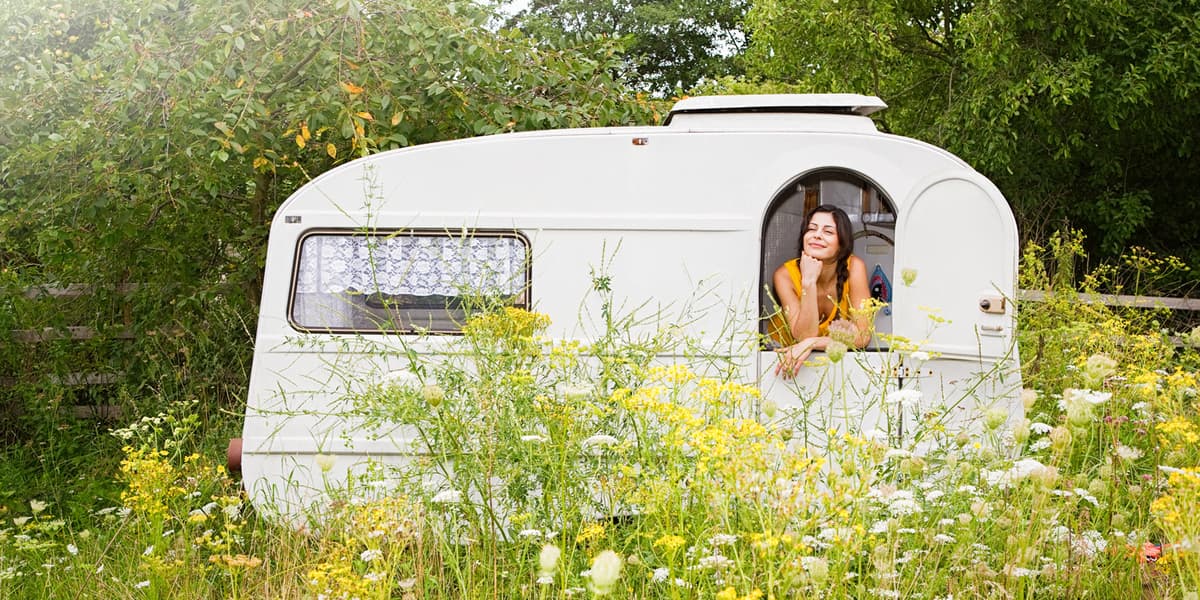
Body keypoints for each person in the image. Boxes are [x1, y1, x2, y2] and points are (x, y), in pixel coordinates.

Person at [768, 205, 872, 377]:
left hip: (829, 358)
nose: (817, 235)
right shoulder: (784, 275)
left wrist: (813, 343)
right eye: (811, 229)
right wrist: (808, 282)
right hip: (784, 359)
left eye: (828, 232)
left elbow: (863, 336)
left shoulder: (854, 267)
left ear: (842, 243)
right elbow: (803, 336)